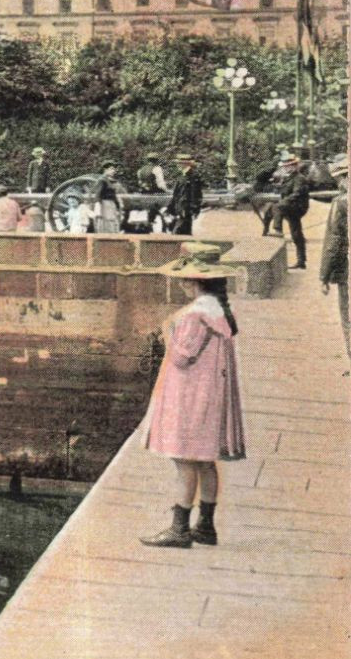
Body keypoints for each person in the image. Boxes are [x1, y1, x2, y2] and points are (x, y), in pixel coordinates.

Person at [140, 244, 245, 548]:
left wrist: (166, 333)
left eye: (186, 280)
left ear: (197, 281)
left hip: (189, 395)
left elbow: (182, 356)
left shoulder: (196, 314)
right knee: (205, 461)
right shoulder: (219, 310)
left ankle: (179, 528)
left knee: (184, 459)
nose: (183, 285)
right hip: (210, 394)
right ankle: (206, 526)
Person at [320, 157, 349, 368]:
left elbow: (333, 241)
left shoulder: (341, 202)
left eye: (340, 179)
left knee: (348, 315)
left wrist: (324, 275)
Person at [273, 155, 312, 270]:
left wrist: (283, 202)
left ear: (295, 166)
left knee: (277, 207)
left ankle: (278, 230)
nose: (286, 168)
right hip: (291, 206)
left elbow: (297, 194)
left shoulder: (299, 178)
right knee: (296, 234)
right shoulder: (288, 178)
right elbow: (284, 191)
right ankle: (301, 261)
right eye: (285, 166)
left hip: (298, 206)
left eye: (289, 166)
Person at [167, 153, 203, 236]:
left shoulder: (193, 177)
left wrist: (195, 209)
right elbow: (176, 195)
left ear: (185, 164)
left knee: (177, 233)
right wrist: (171, 208)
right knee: (184, 234)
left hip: (186, 210)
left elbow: (196, 195)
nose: (177, 165)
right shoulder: (181, 177)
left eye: (179, 163)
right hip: (180, 210)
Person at [95, 162, 124, 234]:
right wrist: (98, 206)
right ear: (105, 170)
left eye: (114, 169)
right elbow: (98, 194)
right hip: (105, 204)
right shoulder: (102, 180)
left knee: (113, 221)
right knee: (107, 221)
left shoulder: (111, 181)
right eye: (111, 169)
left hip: (111, 204)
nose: (113, 171)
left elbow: (114, 195)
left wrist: (117, 206)